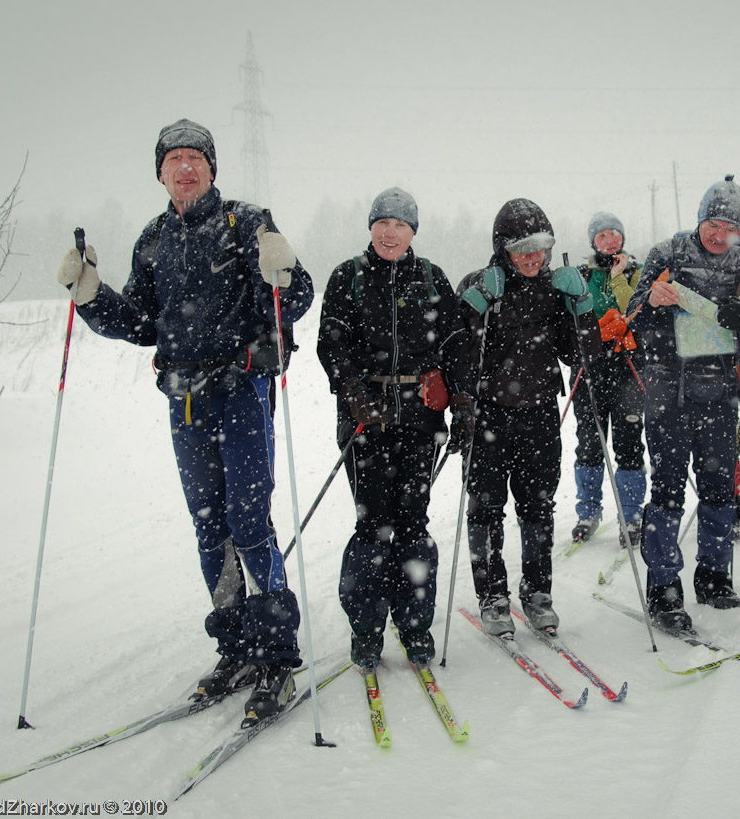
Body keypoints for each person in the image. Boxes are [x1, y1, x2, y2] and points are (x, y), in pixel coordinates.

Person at [56, 119, 314, 719]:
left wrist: (286, 269)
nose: (185, 168)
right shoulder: (153, 238)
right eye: (173, 160)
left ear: (212, 168)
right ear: (161, 173)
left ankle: (276, 656)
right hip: (184, 399)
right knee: (209, 528)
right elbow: (142, 323)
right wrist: (91, 294)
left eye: (195, 157)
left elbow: (292, 298)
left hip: (241, 391)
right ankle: (237, 645)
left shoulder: (248, 222)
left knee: (248, 520)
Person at [315, 187, 473, 670]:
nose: (390, 232)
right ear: (370, 227)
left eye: (401, 225)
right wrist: (352, 388)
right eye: (383, 223)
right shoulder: (349, 277)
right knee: (371, 528)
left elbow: (455, 346)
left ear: (413, 233)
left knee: (412, 524)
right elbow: (331, 342)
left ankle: (414, 625)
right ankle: (366, 630)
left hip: (421, 419)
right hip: (367, 421)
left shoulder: (431, 279)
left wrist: (463, 400)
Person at [627, 175, 740, 631]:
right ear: (699, 218)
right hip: (668, 390)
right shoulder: (667, 254)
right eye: (712, 221)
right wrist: (651, 300)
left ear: (739, 229)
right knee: (667, 490)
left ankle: (715, 577)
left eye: (729, 225)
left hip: (721, 392)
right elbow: (630, 316)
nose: (718, 232)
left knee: (717, 490)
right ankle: (664, 589)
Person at [454, 198, 600, 637]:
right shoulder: (481, 284)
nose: (533, 256)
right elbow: (457, 350)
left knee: (537, 508)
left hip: (538, 414)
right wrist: (475, 303)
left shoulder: (557, 291)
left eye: (541, 245)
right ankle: (492, 596)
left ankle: (537, 593)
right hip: (488, 418)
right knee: (486, 510)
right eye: (522, 247)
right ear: (502, 247)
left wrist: (584, 306)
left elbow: (580, 357)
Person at [568, 211, 647, 547]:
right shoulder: (582, 273)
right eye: (602, 236)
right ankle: (588, 511)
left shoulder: (639, 270)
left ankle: (630, 513)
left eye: (614, 234)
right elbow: (573, 317)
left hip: (628, 365)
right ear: (593, 241)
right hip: (591, 366)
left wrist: (619, 278)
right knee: (589, 441)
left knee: (628, 441)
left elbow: (637, 311)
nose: (610, 240)